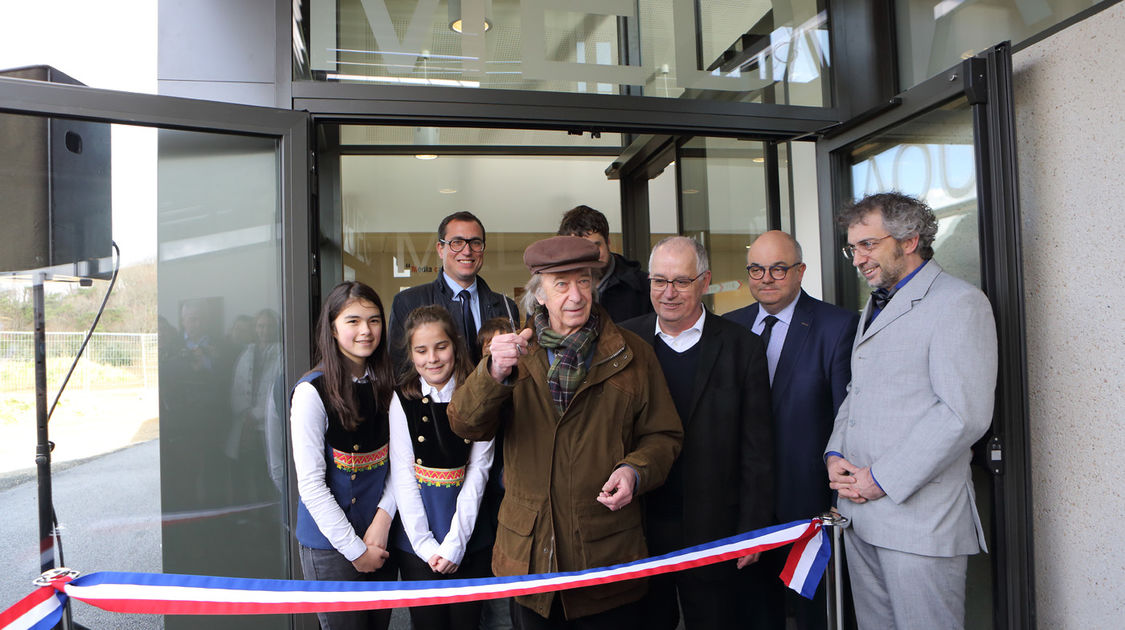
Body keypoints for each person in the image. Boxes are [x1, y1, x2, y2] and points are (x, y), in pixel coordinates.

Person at [448, 235, 683, 629]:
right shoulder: (513, 353)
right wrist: (492, 373)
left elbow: (664, 435)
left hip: (606, 559)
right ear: (539, 295)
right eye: (561, 285)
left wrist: (635, 471)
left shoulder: (633, 353)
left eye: (585, 282)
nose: (576, 295)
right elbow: (465, 424)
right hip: (529, 561)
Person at [825, 192, 997, 630]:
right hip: (861, 515)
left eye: (868, 245)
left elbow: (963, 414)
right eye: (853, 248)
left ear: (908, 240)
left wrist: (880, 479)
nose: (857, 259)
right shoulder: (877, 302)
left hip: (921, 524)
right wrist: (835, 455)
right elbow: (858, 390)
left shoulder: (960, 303)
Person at [618, 236, 773, 630]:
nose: (668, 293)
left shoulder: (743, 348)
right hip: (640, 524)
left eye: (681, 282)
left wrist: (753, 529)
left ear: (704, 282)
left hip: (715, 527)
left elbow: (758, 448)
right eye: (659, 281)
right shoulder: (622, 343)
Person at [725, 231, 858, 630]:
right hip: (746, 510)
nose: (766, 278)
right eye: (756, 269)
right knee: (755, 615)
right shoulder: (729, 327)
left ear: (800, 271)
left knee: (816, 616)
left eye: (778, 268)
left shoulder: (838, 326)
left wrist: (839, 499)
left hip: (810, 507)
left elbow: (846, 419)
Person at [291, 281, 398, 630]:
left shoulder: (389, 383)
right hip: (332, 544)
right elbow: (310, 486)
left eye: (374, 320)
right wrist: (356, 550)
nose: (366, 331)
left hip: (378, 537)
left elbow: (400, 465)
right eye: (353, 321)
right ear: (333, 328)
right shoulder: (311, 392)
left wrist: (381, 524)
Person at [388, 305, 495, 630]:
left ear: (456, 345)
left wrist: (455, 544)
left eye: (441, 346)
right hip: (418, 541)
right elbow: (403, 475)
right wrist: (425, 544)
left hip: (469, 537)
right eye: (421, 350)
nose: (432, 358)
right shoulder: (401, 399)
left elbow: (479, 472)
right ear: (410, 353)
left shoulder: (479, 393)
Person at [389, 211, 519, 364]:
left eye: (475, 242)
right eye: (457, 242)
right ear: (440, 249)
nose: (467, 251)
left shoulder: (506, 306)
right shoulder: (408, 302)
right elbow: (399, 369)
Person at [557, 205, 652, 322]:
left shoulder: (645, 288)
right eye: (581, 249)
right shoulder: (551, 289)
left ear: (608, 242)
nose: (591, 255)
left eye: (596, 246)